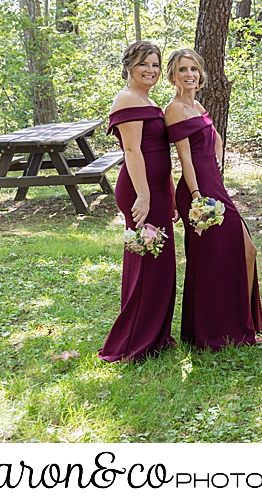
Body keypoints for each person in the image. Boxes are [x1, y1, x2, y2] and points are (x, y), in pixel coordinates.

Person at [164, 49, 262, 351]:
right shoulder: (175, 109)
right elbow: (184, 160)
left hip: (213, 183)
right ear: (172, 75)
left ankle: (240, 323)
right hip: (198, 190)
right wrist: (196, 197)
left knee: (246, 251)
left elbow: (215, 139)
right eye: (183, 69)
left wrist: (217, 161)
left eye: (194, 68)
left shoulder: (196, 104)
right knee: (211, 260)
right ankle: (212, 332)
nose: (190, 74)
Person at [99, 41, 178, 362]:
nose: (151, 70)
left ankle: (156, 335)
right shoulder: (126, 99)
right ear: (129, 66)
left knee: (162, 265)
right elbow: (132, 151)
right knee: (148, 263)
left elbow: (162, 155)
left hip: (158, 190)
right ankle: (134, 341)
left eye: (156, 64)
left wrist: (169, 194)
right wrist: (144, 196)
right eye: (144, 63)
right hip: (139, 191)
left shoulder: (147, 99)